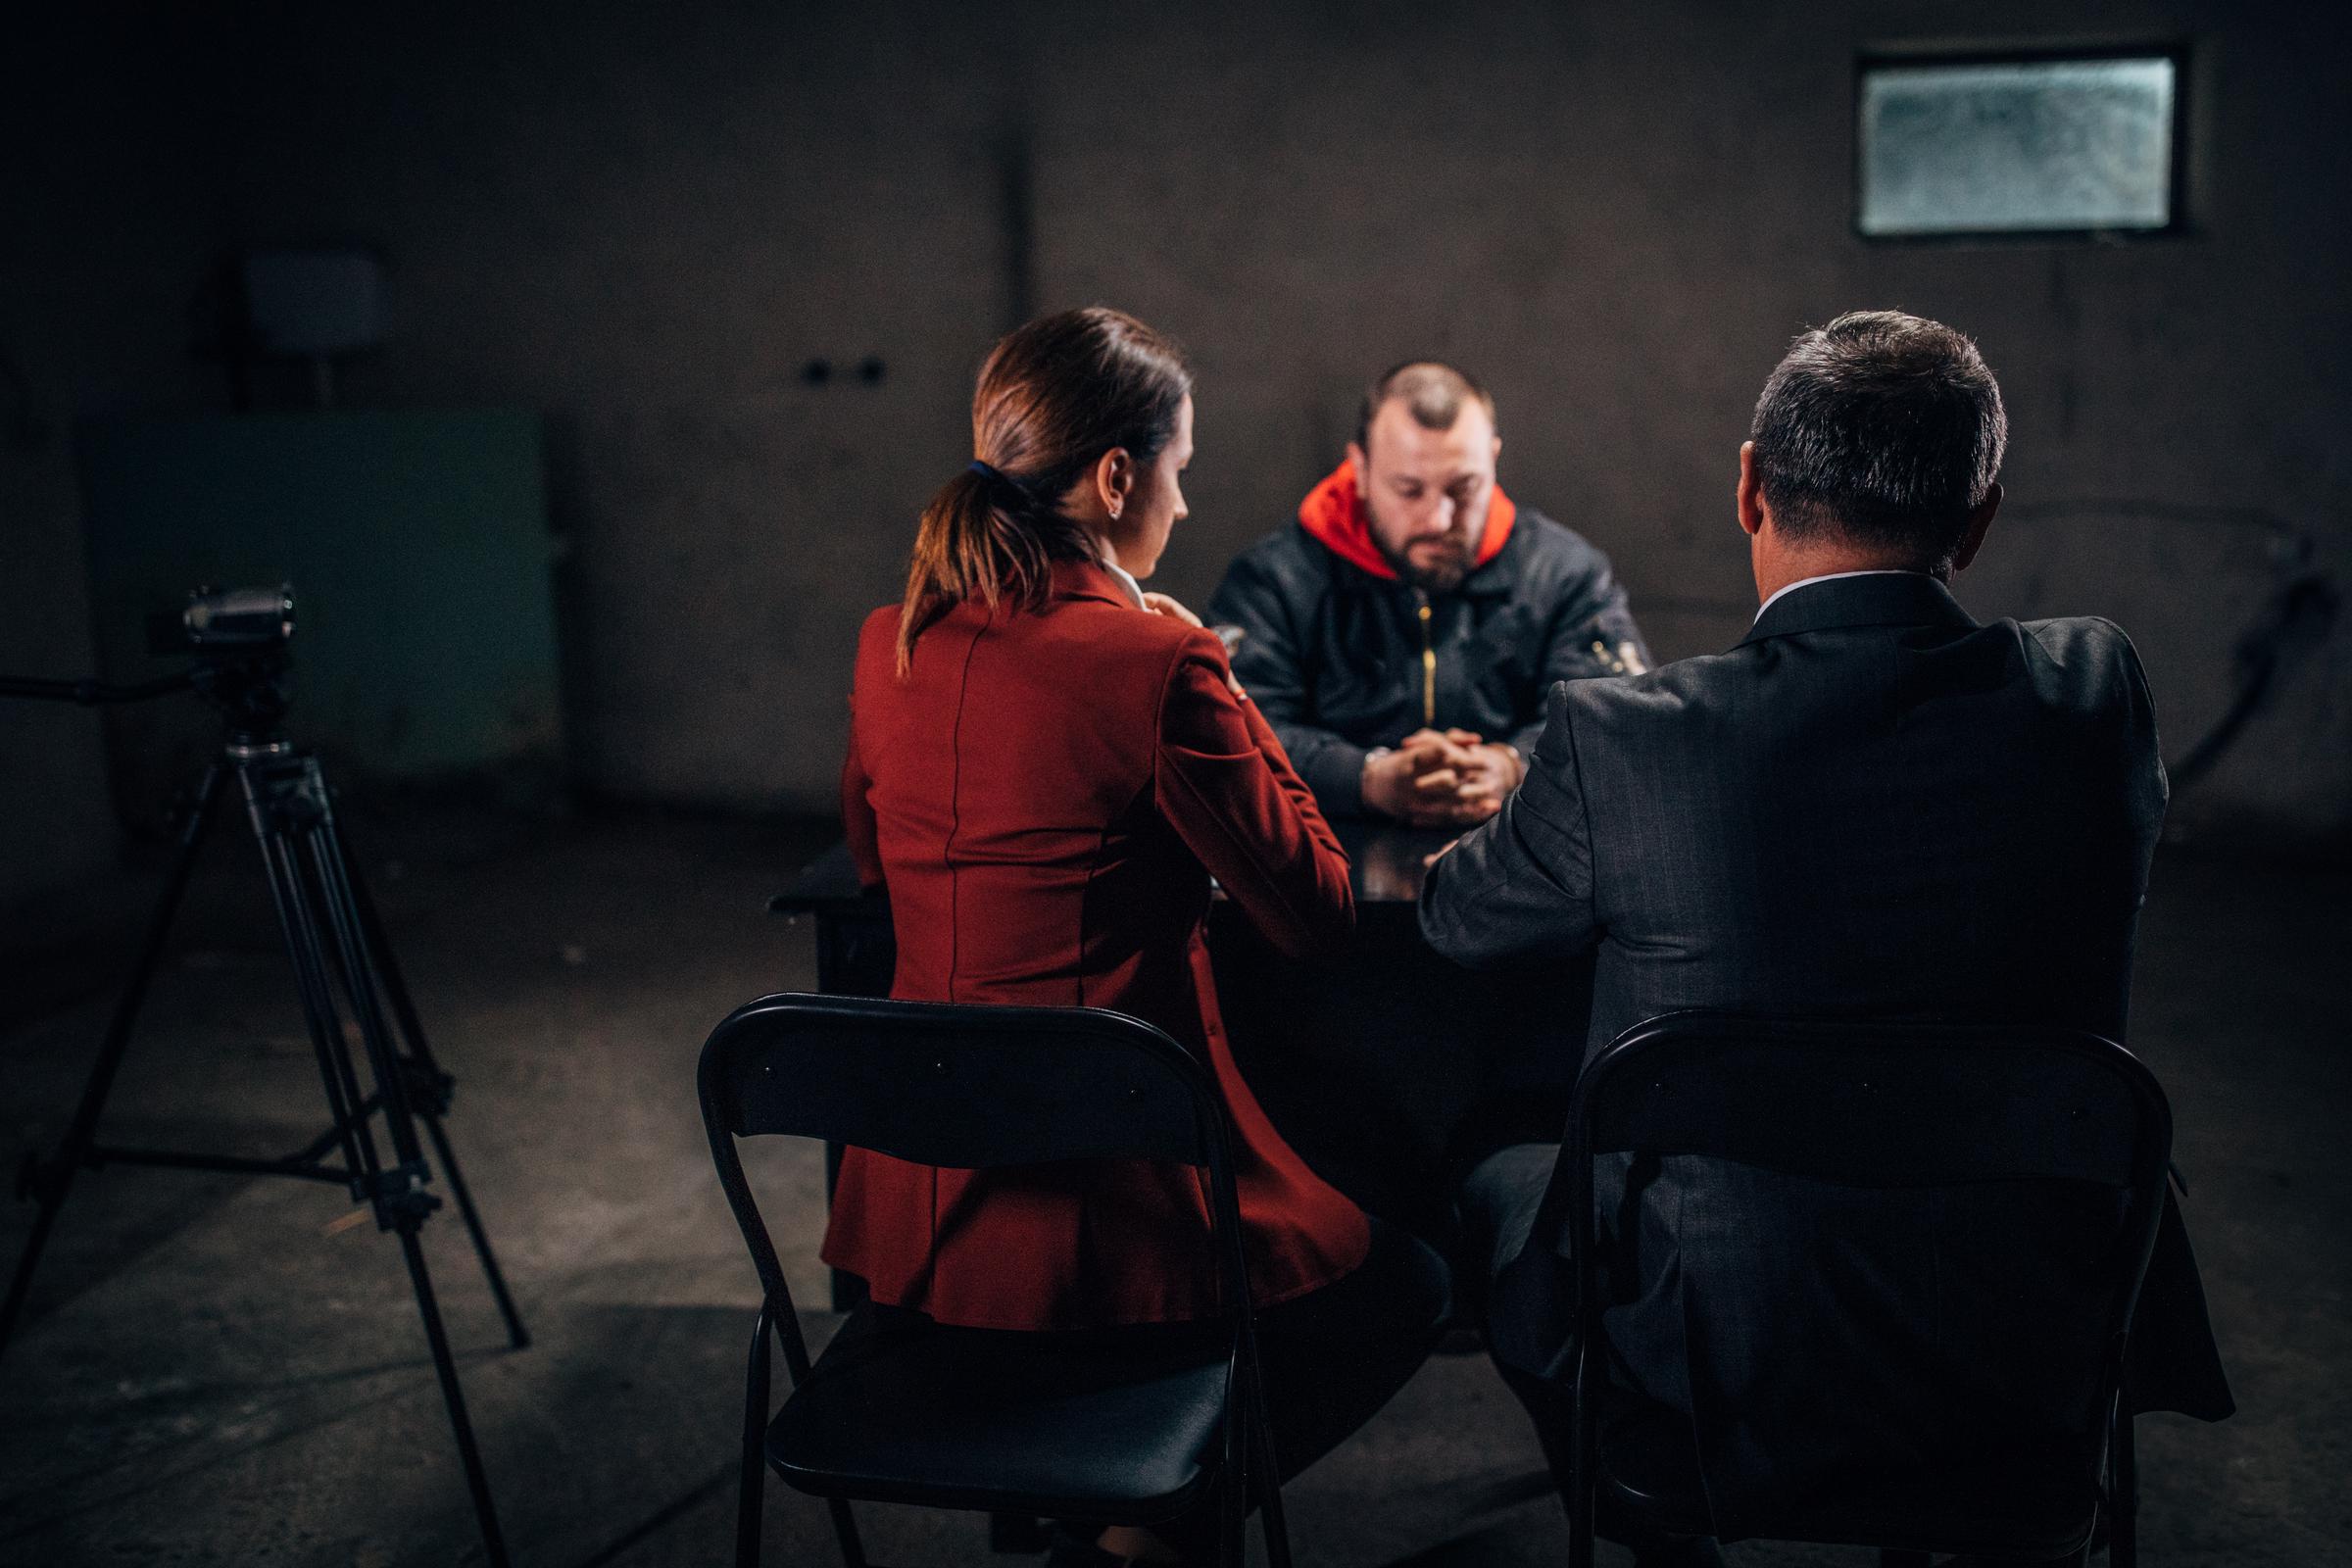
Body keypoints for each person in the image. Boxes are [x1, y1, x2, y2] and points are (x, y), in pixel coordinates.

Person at [1420, 311, 2231, 1566]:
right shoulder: (2093, 695)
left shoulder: (1626, 738)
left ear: (1750, 485)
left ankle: (1656, 1520)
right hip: (2034, 1335)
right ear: (1978, 519)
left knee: (1495, 1182)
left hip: (1720, 1353)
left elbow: (1460, 920)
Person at [829, 307, 1450, 1567]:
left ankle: (1120, 1527)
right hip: (1109, 1230)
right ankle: (1143, 1539)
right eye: (1180, 467)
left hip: (918, 1229)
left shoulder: (889, 641)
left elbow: (875, 860)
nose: (1181, 493)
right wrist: (1198, 651)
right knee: (1407, 1288)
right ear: (1119, 478)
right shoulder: (1152, 659)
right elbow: (1315, 908)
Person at [1207, 361, 1650, 828]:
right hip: (1322, 881)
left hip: (1520, 880)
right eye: (1408, 490)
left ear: (1493, 459)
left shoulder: (1566, 574)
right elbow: (1225, 731)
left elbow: (1620, 718)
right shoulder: (1274, 580)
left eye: (1463, 488)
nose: (1439, 520)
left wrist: (1514, 767)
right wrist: (1364, 778)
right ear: (1359, 468)